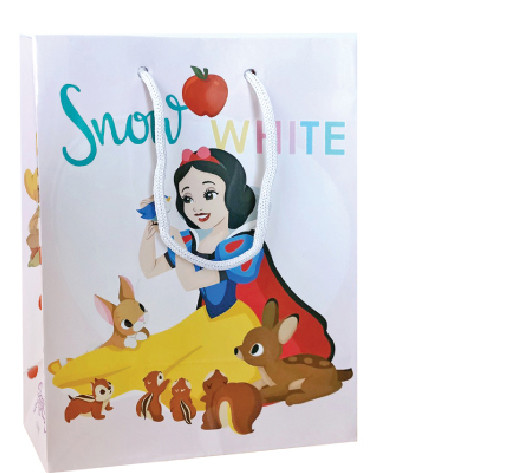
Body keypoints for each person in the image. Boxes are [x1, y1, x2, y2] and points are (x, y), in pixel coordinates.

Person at [51, 147, 334, 407]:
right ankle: (75, 375)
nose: (197, 206)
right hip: (205, 323)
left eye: (208, 194)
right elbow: (149, 269)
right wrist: (151, 228)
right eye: (187, 198)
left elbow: (192, 282)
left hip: (238, 329)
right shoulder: (192, 241)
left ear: (232, 195)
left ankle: (105, 388)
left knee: (174, 375)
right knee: (150, 352)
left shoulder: (241, 246)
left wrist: (176, 242)